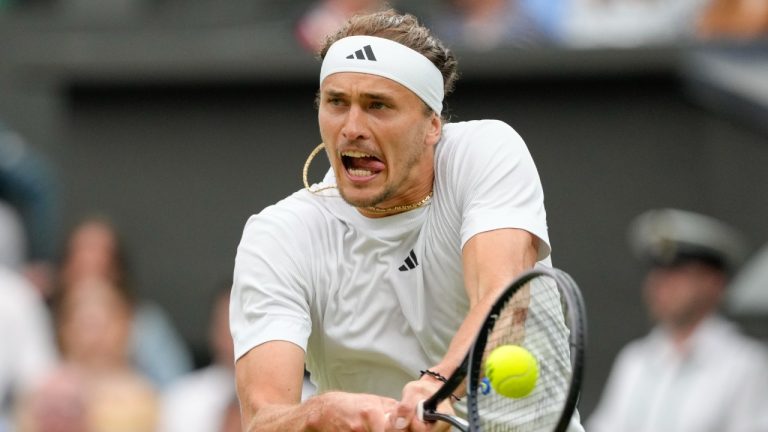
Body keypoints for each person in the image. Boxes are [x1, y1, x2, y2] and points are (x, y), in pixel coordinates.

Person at [230, 8, 583, 431]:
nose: (352, 128)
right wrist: (322, 414)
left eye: (378, 105)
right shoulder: (280, 235)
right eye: (337, 102)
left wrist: (439, 385)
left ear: (432, 125)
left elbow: (502, 298)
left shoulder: (485, 153)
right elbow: (263, 417)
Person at [587, 208, 768, 432]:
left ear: (714, 282)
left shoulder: (746, 365)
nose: (661, 285)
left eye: (678, 273)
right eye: (657, 272)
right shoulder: (635, 360)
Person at [57, 216, 194, 389]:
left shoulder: (147, 325)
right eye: (81, 264)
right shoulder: (42, 319)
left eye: (101, 264)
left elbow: (177, 391)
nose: (95, 336)